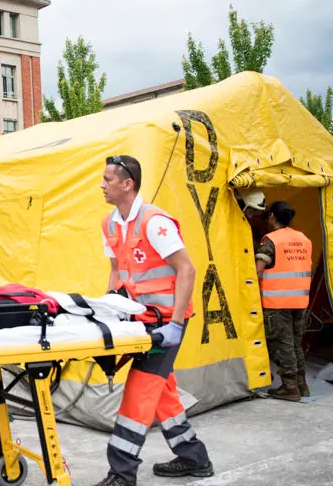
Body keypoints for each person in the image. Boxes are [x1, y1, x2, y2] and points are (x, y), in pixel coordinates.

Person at [94, 155, 213, 486]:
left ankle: (121, 473)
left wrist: (175, 324)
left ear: (127, 184)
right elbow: (117, 271)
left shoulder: (154, 222)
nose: (102, 185)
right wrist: (108, 309)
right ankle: (194, 458)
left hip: (167, 322)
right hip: (140, 319)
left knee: (140, 389)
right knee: (163, 392)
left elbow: (187, 269)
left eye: (108, 179)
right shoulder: (110, 223)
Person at [255, 200, 313, 401]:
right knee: (296, 344)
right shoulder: (303, 238)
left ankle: (289, 387)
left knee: (283, 345)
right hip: (300, 300)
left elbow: (258, 269)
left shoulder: (271, 240)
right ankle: (301, 385)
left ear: (271, 216)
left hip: (277, 302)